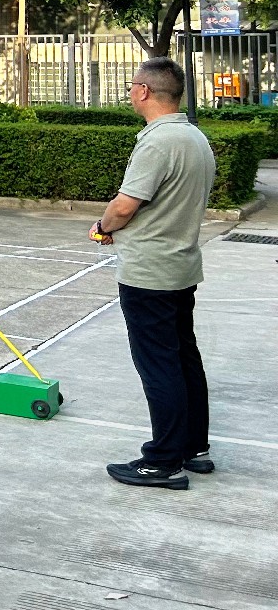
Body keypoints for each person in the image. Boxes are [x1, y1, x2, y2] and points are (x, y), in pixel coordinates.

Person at [93, 58, 215, 490]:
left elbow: (125, 205)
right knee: (183, 358)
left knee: (159, 365)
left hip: (150, 271)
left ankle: (163, 461)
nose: (130, 93)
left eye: (132, 86)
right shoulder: (195, 137)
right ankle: (193, 448)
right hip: (180, 266)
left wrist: (103, 226)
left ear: (144, 91)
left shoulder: (158, 143)